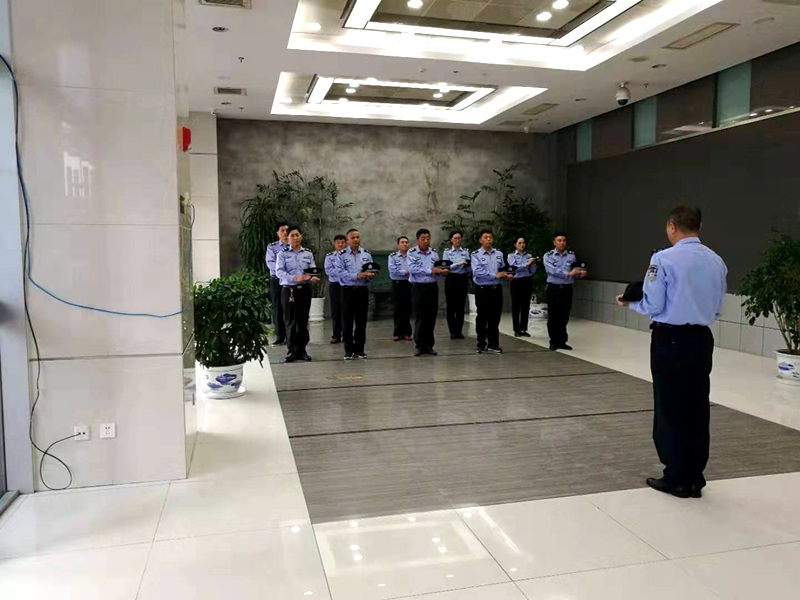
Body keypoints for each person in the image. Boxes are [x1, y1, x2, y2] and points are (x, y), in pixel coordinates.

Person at [617, 206, 727, 499]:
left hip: (671, 339)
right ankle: (694, 477)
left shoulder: (663, 259)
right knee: (697, 405)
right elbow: (718, 307)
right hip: (701, 339)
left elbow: (654, 304)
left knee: (671, 405)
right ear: (699, 227)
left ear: (671, 226)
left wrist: (630, 302)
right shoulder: (716, 260)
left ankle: (676, 476)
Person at [275, 225, 320, 363]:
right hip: (289, 290)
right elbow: (279, 272)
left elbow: (312, 269)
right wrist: (295, 278)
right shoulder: (282, 254)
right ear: (288, 238)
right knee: (290, 321)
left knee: (303, 321)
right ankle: (291, 350)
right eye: (292, 235)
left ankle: (302, 350)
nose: (296, 238)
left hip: (304, 290)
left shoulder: (307, 253)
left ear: (301, 236)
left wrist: (313, 277)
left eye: (298, 235)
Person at [334, 228, 375, 360]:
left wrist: (370, 276)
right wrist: (357, 275)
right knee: (347, 320)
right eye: (353, 238)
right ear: (347, 240)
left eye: (358, 237)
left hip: (362, 290)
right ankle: (348, 349)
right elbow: (341, 273)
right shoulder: (341, 255)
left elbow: (371, 269)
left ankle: (360, 349)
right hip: (347, 291)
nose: (356, 240)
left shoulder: (366, 254)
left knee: (361, 321)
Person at [543, 233, 587, 351]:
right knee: (553, 315)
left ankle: (562, 341)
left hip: (567, 289)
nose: (562, 243)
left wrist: (580, 274)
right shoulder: (548, 256)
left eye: (564, 240)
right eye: (559, 240)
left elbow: (574, 271)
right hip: (554, 288)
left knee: (564, 315)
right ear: (554, 242)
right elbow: (551, 270)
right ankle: (553, 341)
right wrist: (568, 274)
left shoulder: (571, 256)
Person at [408, 229, 447, 356]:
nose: (426, 241)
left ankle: (429, 345)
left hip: (432, 287)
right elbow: (413, 269)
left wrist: (441, 272)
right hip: (418, 287)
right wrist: (431, 271)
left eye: (428, 239)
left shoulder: (434, 253)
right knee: (419, 317)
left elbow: (437, 270)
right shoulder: (412, 253)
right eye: (423, 239)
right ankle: (420, 345)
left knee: (431, 316)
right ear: (418, 240)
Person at [472, 229, 512, 354]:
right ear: (480, 240)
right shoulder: (476, 254)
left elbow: (503, 269)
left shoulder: (498, 253)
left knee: (495, 318)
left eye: (490, 237)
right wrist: (495, 275)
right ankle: (481, 343)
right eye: (486, 237)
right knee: (482, 317)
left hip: (496, 289)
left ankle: (493, 344)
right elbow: (477, 272)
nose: (489, 239)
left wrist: (507, 275)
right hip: (483, 289)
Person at [507, 236, 538, 337]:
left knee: (525, 305)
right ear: (515, 244)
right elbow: (514, 268)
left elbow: (532, 271)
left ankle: (523, 328)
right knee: (516, 306)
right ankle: (516, 329)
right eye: (519, 243)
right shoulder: (511, 255)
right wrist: (527, 264)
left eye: (523, 243)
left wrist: (533, 263)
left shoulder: (529, 256)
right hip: (516, 281)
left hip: (526, 281)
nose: (522, 245)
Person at [442, 231, 470, 340]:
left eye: (459, 238)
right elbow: (445, 267)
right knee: (451, 306)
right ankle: (452, 331)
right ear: (451, 240)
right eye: (455, 238)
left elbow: (468, 267)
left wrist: (467, 265)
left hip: (462, 278)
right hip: (451, 278)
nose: (458, 240)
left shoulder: (465, 252)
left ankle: (459, 331)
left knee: (460, 306)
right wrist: (457, 264)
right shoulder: (447, 252)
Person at [265, 222, 290, 346]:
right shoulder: (272, 247)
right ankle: (280, 336)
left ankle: (291, 335)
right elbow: (271, 263)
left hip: (291, 282)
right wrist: (283, 274)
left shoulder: (294, 246)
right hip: (277, 280)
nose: (285, 233)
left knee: (290, 309)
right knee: (278, 308)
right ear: (277, 233)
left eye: (287, 231)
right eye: (282, 231)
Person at [388, 236, 413, 342]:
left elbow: (414, 268)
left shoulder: (412, 255)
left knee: (408, 308)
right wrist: (405, 272)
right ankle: (397, 333)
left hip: (409, 283)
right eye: (402, 242)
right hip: (398, 284)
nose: (405, 244)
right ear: (398, 244)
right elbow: (393, 270)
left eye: (406, 242)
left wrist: (407, 271)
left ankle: (407, 333)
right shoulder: (393, 256)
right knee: (398, 308)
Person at [325, 234, 347, 344]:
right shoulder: (330, 256)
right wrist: (344, 273)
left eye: (342, 242)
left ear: (346, 243)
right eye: (338, 243)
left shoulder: (349, 256)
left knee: (347, 310)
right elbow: (329, 271)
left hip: (347, 285)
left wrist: (345, 273)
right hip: (335, 285)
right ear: (334, 244)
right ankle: (336, 335)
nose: (340, 245)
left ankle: (347, 334)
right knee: (336, 311)